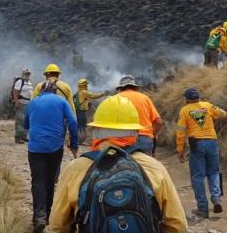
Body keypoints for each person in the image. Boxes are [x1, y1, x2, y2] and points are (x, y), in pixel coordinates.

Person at [49, 95, 187, 233]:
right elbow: (177, 225)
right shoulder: (154, 167)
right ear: (135, 133)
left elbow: (58, 226)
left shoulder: (75, 168)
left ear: (96, 131)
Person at [24, 80, 79, 233]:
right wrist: (74, 142)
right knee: (50, 181)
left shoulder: (33, 102)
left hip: (35, 148)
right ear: (55, 91)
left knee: (37, 182)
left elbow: (25, 124)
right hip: (55, 148)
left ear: (41, 91)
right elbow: (73, 121)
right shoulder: (61, 101)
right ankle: (48, 215)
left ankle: (39, 218)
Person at [176, 88, 227, 219]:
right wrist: (212, 113)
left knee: (198, 176)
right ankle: (216, 199)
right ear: (198, 97)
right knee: (214, 172)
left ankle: (203, 209)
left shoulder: (184, 110)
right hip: (212, 142)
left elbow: (180, 132)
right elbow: (223, 114)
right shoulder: (207, 105)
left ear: (187, 99)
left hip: (196, 144)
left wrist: (180, 150)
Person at [116, 76, 163, 155]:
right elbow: (159, 122)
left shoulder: (115, 99)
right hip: (145, 138)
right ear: (135, 88)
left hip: (122, 139)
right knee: (145, 166)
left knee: (125, 166)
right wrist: (153, 134)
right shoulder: (145, 98)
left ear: (120, 88)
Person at [75, 78, 106, 145]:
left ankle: (79, 140)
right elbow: (93, 96)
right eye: (86, 85)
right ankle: (88, 141)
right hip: (83, 112)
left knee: (80, 126)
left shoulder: (78, 92)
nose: (87, 86)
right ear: (84, 85)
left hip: (78, 111)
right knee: (88, 125)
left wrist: (87, 103)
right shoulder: (84, 92)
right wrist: (102, 94)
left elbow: (81, 101)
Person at [12, 68, 34, 143]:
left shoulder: (30, 82)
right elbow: (15, 91)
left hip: (28, 104)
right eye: (26, 73)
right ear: (23, 74)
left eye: (28, 73)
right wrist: (16, 101)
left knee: (27, 121)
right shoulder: (20, 82)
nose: (27, 75)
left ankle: (24, 136)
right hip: (21, 103)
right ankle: (18, 138)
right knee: (20, 121)